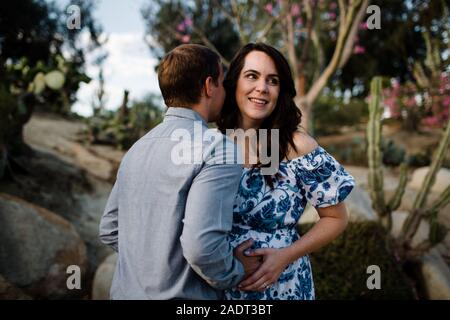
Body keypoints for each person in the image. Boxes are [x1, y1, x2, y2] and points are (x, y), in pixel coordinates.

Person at [99, 44, 260, 300]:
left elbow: (109, 228)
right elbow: (201, 248)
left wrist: (155, 264)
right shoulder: (218, 149)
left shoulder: (136, 149)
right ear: (209, 86)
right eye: (222, 83)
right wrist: (236, 271)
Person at [217, 43, 356, 300]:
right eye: (252, 76)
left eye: (273, 80)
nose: (262, 87)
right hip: (220, 289)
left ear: (281, 91)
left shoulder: (297, 146)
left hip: (284, 287)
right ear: (233, 82)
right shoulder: (213, 144)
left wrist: (285, 256)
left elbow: (336, 218)